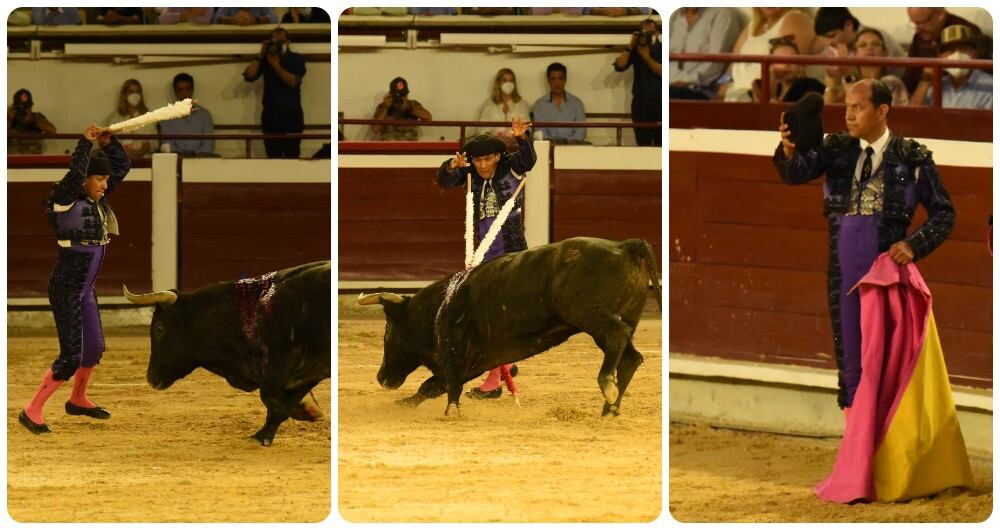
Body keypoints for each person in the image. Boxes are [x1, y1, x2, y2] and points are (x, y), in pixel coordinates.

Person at [774, 78, 955, 417]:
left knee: (888, 356)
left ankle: (888, 438)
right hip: (843, 274)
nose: (849, 115)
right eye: (847, 107)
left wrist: (913, 245)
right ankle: (857, 439)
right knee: (851, 356)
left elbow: (944, 213)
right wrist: (788, 148)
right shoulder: (836, 150)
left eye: (858, 107)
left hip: (887, 275)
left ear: (882, 110)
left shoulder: (911, 157)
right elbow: (796, 173)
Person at [18, 123, 129, 434]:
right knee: (71, 356)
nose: (105, 184)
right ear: (84, 180)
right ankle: (32, 410)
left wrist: (109, 143)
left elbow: (122, 166)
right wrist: (85, 142)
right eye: (99, 179)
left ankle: (78, 399)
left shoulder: (94, 198)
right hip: (67, 287)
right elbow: (77, 170)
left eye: (106, 179)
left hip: (85, 289)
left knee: (93, 348)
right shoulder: (64, 197)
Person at [436, 117, 536, 398]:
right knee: (490, 313)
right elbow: (444, 180)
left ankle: (495, 378)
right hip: (483, 252)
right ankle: (504, 365)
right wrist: (452, 165)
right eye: (477, 160)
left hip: (511, 250)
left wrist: (522, 138)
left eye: (487, 159)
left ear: (498, 156)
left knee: (495, 314)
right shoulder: (469, 175)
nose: (482, 165)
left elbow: (528, 160)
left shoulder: (511, 167)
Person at [722, 8, 816, 102]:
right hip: (734, 97)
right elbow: (730, 69)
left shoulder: (795, 18)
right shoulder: (753, 25)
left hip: (760, 102)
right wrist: (721, 87)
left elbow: (787, 73)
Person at [243, 27, 307, 158]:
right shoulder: (265, 59)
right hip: (270, 114)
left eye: (280, 41)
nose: (276, 45)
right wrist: (260, 56)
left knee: (292, 155)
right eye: (274, 41)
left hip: (292, 114)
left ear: (288, 42)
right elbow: (249, 76)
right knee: (272, 155)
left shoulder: (296, 59)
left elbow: (293, 82)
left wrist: (276, 65)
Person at [668, 7, 743, 100]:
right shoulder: (675, 15)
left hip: (700, 89)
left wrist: (682, 81)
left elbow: (715, 63)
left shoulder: (722, 14)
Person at [911, 25, 992, 110]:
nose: (957, 55)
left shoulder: (991, 86)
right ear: (940, 57)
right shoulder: (935, 87)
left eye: (964, 48)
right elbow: (912, 114)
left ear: (976, 53)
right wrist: (925, 80)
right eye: (950, 50)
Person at [903, 8, 981, 93]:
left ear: (940, 15)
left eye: (923, 22)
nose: (918, 29)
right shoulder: (919, 38)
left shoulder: (966, 32)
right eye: (915, 23)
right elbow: (909, 81)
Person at [824, 29, 909, 105]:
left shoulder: (892, 82)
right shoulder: (845, 80)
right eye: (862, 45)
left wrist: (847, 77)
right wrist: (833, 83)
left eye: (876, 44)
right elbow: (826, 111)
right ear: (855, 54)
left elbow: (864, 109)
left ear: (885, 53)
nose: (869, 48)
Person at [613, 18, 662, 146]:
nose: (646, 36)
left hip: (660, 101)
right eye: (643, 33)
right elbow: (619, 66)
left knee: (661, 142)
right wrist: (630, 46)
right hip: (640, 103)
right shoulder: (635, 50)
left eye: (650, 33)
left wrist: (646, 57)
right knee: (642, 143)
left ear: (657, 34)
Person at [753, 36, 825, 102]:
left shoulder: (810, 86)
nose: (787, 65)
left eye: (792, 60)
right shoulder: (763, 87)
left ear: (799, 64)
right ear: (771, 65)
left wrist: (772, 97)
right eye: (781, 61)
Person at [157, 73, 215, 156]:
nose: (184, 93)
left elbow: (208, 143)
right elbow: (167, 144)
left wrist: (200, 156)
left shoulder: (204, 115)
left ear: (192, 90)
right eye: (180, 90)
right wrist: (179, 156)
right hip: (176, 159)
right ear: (175, 92)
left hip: (201, 158)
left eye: (187, 89)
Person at [531, 62, 586, 143]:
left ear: (565, 79)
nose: (557, 83)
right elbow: (540, 131)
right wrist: (551, 144)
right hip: (549, 146)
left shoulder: (577, 103)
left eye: (560, 78)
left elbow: (581, 130)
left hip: (573, 145)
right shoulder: (539, 105)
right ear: (548, 81)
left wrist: (572, 143)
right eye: (553, 79)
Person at [105, 79, 156, 160]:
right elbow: (108, 141)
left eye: (137, 92)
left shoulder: (148, 116)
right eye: (131, 92)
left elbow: (151, 141)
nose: (134, 95)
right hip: (120, 160)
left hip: (143, 160)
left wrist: (139, 153)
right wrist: (123, 153)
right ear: (124, 95)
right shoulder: (114, 117)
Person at [370, 77, 432, 141]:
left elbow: (428, 118)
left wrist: (409, 108)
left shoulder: (413, 104)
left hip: (410, 144)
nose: (399, 99)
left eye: (402, 95)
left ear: (407, 95)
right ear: (391, 95)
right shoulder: (383, 106)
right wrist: (385, 107)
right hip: (389, 144)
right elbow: (375, 129)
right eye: (396, 96)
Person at [474, 68, 531, 138]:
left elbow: (527, 130)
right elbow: (481, 130)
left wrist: (515, 138)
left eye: (511, 80)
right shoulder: (489, 105)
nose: (508, 84)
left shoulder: (522, 105)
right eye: (504, 80)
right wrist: (497, 138)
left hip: (516, 143)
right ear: (498, 83)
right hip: (494, 143)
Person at [8, 88, 57, 154]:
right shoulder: (9, 118)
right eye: (20, 108)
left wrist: (33, 120)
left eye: (26, 107)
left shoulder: (37, 117)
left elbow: (52, 130)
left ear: (31, 106)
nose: (24, 110)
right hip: (14, 156)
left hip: (34, 156)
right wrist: (9, 120)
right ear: (15, 107)